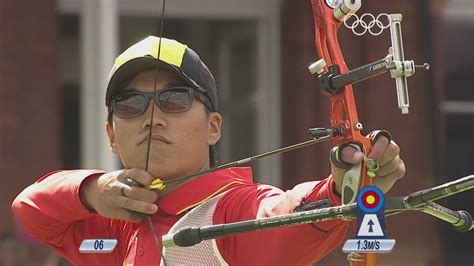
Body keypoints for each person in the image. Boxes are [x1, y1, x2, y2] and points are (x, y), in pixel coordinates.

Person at [12, 36, 405, 265]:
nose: (152, 118)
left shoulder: (230, 213)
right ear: (112, 135)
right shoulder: (112, 229)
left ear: (213, 127)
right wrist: (93, 192)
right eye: (131, 105)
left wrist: (339, 190)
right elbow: (29, 211)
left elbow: (284, 215)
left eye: (175, 100)